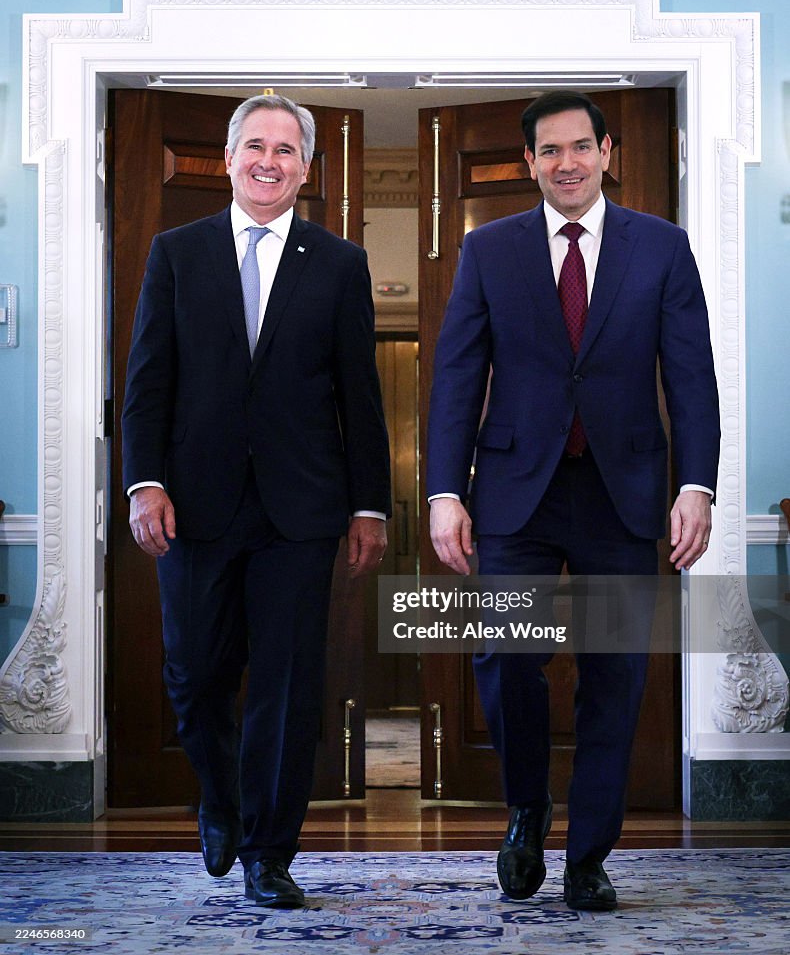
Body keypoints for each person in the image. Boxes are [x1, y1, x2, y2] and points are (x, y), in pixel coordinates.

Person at [427, 91, 719, 910]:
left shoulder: (662, 248)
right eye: (549, 150)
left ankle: (589, 854)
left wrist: (695, 486)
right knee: (508, 661)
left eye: (580, 146)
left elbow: (691, 376)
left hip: (623, 495)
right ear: (529, 163)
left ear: (607, 151)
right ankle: (526, 810)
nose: (566, 162)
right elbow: (457, 376)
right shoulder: (488, 250)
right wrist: (446, 491)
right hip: (516, 493)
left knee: (614, 676)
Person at [122, 94, 391, 908]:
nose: (269, 160)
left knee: (286, 682)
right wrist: (145, 481)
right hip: (193, 505)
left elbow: (360, 393)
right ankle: (222, 798)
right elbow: (147, 383)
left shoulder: (338, 263)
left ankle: (270, 853)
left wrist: (370, 504)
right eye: (255, 146)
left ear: (305, 168)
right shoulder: (177, 252)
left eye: (285, 149)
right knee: (195, 674)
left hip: (300, 512)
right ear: (230, 157)